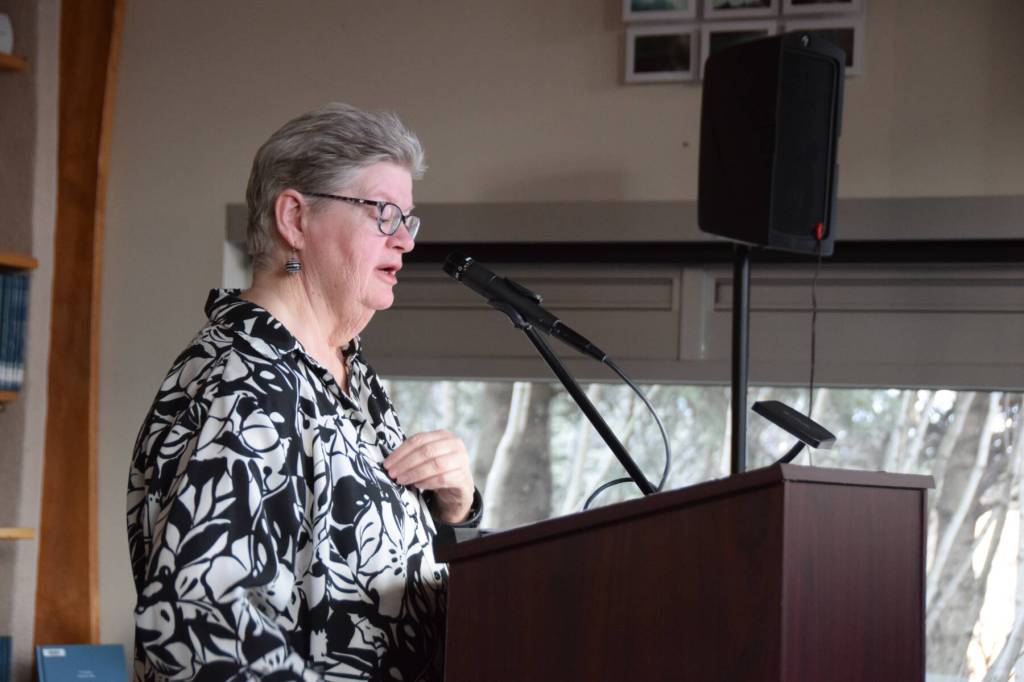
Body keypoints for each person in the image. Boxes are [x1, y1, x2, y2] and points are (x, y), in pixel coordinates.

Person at [126, 103, 481, 682]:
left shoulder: (349, 378)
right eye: (384, 213)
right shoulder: (244, 382)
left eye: (407, 220)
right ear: (295, 218)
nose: (405, 242)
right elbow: (201, 633)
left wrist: (455, 510)